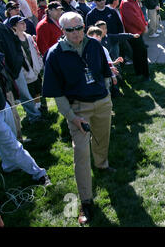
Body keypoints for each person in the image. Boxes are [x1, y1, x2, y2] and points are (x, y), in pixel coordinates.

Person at [43, 12, 114, 226]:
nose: (76, 33)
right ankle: (86, 201)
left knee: (102, 138)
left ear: (84, 26)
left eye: (79, 27)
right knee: (81, 154)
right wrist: (73, 118)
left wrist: (107, 93)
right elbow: (57, 94)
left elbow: (104, 72)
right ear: (62, 31)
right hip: (77, 109)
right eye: (70, 30)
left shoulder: (94, 44)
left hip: (102, 102)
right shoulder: (54, 54)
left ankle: (102, 164)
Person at [0, 80, 51, 187]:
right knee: (13, 145)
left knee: (8, 141)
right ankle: (39, 173)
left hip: (2, 103)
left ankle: (9, 166)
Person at [119, 0, 151, 81]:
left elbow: (140, 14)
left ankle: (139, 72)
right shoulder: (126, 3)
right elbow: (135, 19)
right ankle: (145, 74)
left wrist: (145, 24)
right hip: (134, 33)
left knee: (138, 53)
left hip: (137, 32)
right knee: (141, 53)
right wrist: (144, 27)